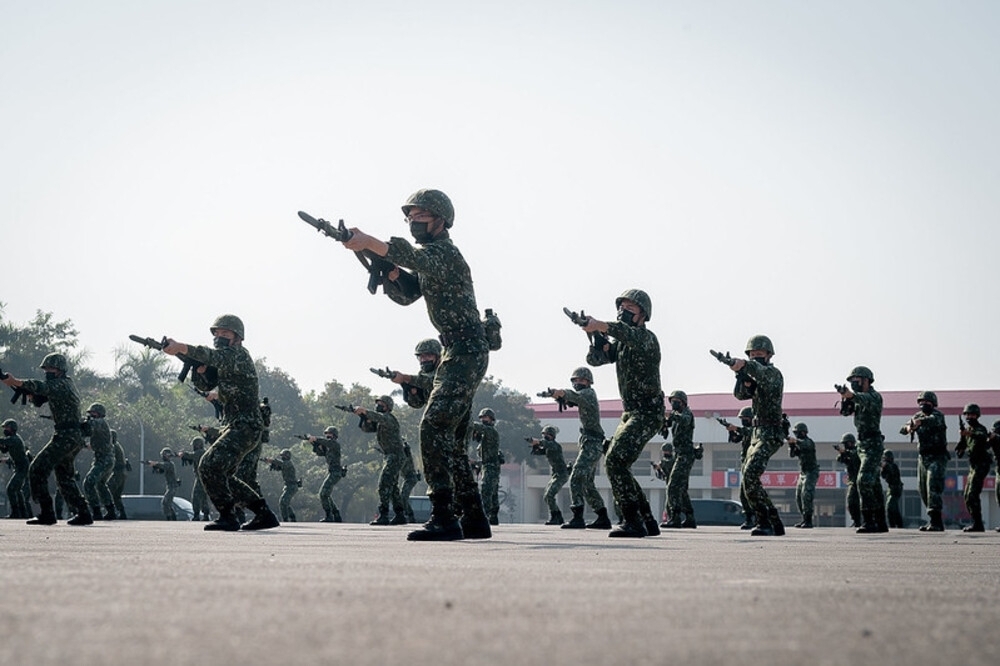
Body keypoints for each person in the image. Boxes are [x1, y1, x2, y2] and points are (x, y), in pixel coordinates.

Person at [341, 189, 491, 541]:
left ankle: (443, 516)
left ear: (441, 220)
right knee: (452, 440)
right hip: (458, 351)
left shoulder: (444, 254)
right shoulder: (430, 260)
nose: (414, 221)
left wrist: (369, 242)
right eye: (410, 216)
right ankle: (473, 518)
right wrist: (389, 271)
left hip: (467, 349)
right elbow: (409, 294)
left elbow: (411, 256)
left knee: (433, 427)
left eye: (422, 215)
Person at [162, 314, 279, 531]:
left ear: (237, 338)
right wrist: (200, 369)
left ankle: (228, 516)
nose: (219, 337)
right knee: (221, 473)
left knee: (207, 465)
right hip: (236, 425)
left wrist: (181, 347)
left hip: (246, 425)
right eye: (216, 333)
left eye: (225, 333)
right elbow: (207, 385)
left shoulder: (238, 355)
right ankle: (264, 514)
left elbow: (213, 356)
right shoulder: (224, 360)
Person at [580, 289, 663, 538]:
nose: (623, 312)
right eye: (621, 308)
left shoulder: (646, 339)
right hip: (631, 413)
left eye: (629, 309)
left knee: (615, 461)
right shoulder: (623, 344)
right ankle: (647, 520)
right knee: (619, 463)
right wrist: (595, 337)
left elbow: (624, 333)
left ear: (642, 316)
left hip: (647, 412)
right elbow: (597, 360)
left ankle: (632, 521)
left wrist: (602, 325)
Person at [1, 353, 93, 525]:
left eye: (51, 368)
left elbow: (41, 387)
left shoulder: (62, 384)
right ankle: (83, 512)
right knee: (64, 476)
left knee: (36, 469)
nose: (47, 371)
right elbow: (39, 397)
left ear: (60, 370)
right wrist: (24, 391)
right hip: (72, 436)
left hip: (66, 436)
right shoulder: (63, 384)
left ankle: (46, 513)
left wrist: (16, 382)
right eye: (46, 369)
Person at [717, 335, 785, 536]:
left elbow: (760, 372)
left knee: (750, 475)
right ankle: (773, 521)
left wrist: (744, 365)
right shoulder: (755, 375)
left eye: (759, 354)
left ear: (769, 355)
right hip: (756, 433)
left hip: (770, 431)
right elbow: (740, 396)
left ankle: (765, 521)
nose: (756, 357)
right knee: (748, 478)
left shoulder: (773, 374)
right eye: (752, 355)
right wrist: (740, 376)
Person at [542, 367, 611, 530]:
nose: (577, 383)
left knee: (576, 478)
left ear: (588, 382)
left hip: (592, 443)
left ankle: (577, 516)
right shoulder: (585, 396)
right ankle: (602, 516)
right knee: (587, 482)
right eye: (575, 380)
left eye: (581, 380)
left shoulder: (588, 393)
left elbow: (574, 396)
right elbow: (573, 400)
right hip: (590, 442)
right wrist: (560, 397)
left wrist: (562, 393)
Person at [836, 366, 886, 533]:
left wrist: (850, 395)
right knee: (874, 484)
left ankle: (869, 521)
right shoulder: (858, 398)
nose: (854, 383)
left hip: (873, 443)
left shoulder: (874, 396)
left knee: (863, 480)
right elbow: (845, 412)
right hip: (861, 444)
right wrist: (846, 399)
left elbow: (860, 398)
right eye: (852, 381)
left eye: (857, 380)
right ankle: (880, 522)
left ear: (866, 380)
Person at [354, 396, 407, 526]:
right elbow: (367, 429)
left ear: (387, 406)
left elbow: (379, 418)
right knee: (393, 486)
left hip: (395, 455)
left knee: (384, 483)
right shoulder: (381, 421)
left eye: (381, 404)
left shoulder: (389, 418)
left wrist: (365, 411)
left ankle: (383, 515)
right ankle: (400, 514)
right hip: (390, 455)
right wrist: (363, 418)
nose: (378, 406)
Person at [900, 390, 948, 532]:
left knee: (933, 486)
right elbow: (903, 429)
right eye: (921, 402)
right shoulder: (917, 416)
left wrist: (919, 422)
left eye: (927, 402)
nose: (923, 404)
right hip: (923, 458)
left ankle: (936, 522)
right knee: (922, 488)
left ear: (933, 403)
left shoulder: (938, 416)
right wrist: (909, 427)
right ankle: (931, 520)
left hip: (937, 457)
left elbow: (933, 420)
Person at [661, 390, 697, 529]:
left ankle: (674, 517)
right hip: (679, 454)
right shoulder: (676, 415)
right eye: (672, 401)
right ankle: (690, 517)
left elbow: (684, 420)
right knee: (681, 489)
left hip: (685, 454)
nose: (674, 403)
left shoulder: (687, 413)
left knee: (673, 486)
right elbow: (668, 423)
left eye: (677, 401)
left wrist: (672, 415)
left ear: (683, 402)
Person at [956, 403, 990, 532]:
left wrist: (968, 434)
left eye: (972, 414)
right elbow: (963, 445)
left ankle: (978, 524)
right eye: (967, 414)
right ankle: (976, 522)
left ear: (977, 415)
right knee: (967, 495)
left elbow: (982, 436)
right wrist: (960, 447)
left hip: (981, 465)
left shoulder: (980, 429)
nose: (969, 417)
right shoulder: (968, 431)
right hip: (973, 465)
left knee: (972, 494)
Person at [719, 407, 755, 529]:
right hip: (745, 463)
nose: (743, 421)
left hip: (753, 463)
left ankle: (757, 518)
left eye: (745, 419)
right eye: (742, 419)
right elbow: (735, 439)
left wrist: (736, 428)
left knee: (751, 492)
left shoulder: (755, 430)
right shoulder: (744, 431)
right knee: (743, 493)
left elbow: (748, 432)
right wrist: (730, 430)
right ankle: (749, 518)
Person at [528, 425, 569, 525]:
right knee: (547, 496)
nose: (545, 437)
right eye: (544, 435)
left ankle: (555, 517)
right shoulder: (548, 447)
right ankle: (557, 516)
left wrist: (537, 441)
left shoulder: (555, 446)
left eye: (546, 435)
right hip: (556, 474)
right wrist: (535, 445)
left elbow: (546, 444)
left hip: (562, 474)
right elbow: (536, 453)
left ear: (552, 436)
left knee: (549, 495)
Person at [82, 402, 116, 520]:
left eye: (93, 413)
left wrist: (72, 421)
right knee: (101, 485)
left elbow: (87, 425)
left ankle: (96, 511)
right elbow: (93, 444)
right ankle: (111, 511)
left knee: (88, 482)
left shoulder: (100, 422)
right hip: (105, 460)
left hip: (104, 461)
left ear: (100, 414)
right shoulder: (98, 426)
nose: (91, 415)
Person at [469, 408, 503, 526]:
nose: (483, 419)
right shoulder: (484, 438)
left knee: (486, 490)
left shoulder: (491, 431)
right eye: (481, 418)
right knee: (492, 491)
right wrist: (475, 463)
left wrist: (466, 420)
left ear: (491, 419)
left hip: (491, 466)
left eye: (485, 417)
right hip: (487, 465)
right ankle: (492, 517)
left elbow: (479, 427)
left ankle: (486, 515)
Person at [787, 421, 819, 529]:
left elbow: (804, 444)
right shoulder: (798, 443)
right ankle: (804, 518)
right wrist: (791, 445)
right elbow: (792, 455)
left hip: (811, 472)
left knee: (807, 494)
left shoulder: (809, 442)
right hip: (803, 473)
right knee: (798, 496)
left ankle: (808, 520)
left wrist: (795, 441)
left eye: (798, 433)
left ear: (804, 432)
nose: (796, 435)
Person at [309, 426, 344, 522]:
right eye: (326, 434)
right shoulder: (328, 447)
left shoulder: (335, 444)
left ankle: (329, 515)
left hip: (336, 472)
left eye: (329, 434)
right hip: (332, 472)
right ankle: (336, 514)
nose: (327, 435)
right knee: (326, 494)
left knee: (323, 493)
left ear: (334, 435)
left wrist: (316, 439)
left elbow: (327, 442)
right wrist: (314, 444)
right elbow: (320, 453)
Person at [1, 418, 30, 518]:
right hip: (19, 467)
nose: (5, 430)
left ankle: (16, 512)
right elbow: (4, 450)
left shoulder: (15, 439)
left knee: (10, 489)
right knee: (17, 490)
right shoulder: (12, 439)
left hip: (22, 467)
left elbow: (4, 441)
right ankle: (23, 512)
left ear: (13, 428)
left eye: (7, 428)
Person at [177, 436, 211, 520]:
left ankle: (196, 515)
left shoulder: (200, 452)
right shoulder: (205, 452)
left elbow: (192, 456)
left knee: (196, 496)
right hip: (205, 477)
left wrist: (183, 454)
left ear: (197, 445)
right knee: (203, 496)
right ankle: (206, 515)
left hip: (201, 478)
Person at [264, 449, 299, 522]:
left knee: (283, 502)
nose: (282, 457)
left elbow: (281, 464)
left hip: (292, 486)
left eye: (283, 456)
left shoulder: (288, 463)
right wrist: (271, 464)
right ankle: (292, 518)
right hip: (288, 486)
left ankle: (286, 519)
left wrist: (272, 460)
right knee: (285, 503)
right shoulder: (285, 464)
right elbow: (279, 467)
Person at [835, 433, 862, 527]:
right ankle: (856, 520)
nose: (845, 445)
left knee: (858, 501)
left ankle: (861, 520)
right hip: (852, 480)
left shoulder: (857, 451)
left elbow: (854, 455)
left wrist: (844, 452)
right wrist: (842, 453)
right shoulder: (847, 452)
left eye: (846, 443)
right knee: (851, 501)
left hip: (859, 479)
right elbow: (839, 459)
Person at [144, 448, 179, 520]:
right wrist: (154, 466)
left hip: (172, 486)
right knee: (167, 503)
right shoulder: (168, 464)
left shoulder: (170, 464)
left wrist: (153, 463)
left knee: (165, 502)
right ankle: (172, 518)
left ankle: (170, 518)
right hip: (170, 486)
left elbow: (162, 465)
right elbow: (160, 471)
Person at [398, 442, 422, 523]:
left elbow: (407, 450)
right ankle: (408, 514)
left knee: (404, 496)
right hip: (408, 478)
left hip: (411, 478)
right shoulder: (403, 458)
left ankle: (409, 514)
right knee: (403, 497)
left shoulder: (407, 457)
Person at [653, 442, 675, 525]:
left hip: (674, 485)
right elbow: (662, 476)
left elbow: (667, 464)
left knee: (671, 502)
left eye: (666, 451)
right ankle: (670, 519)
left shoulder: (671, 461)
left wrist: (660, 466)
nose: (664, 453)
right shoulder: (666, 461)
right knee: (669, 502)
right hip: (669, 483)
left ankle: (672, 519)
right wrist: (658, 469)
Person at [880, 450, 904, 529]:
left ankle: (892, 525)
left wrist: (884, 465)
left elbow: (891, 470)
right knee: (895, 508)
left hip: (896, 489)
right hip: (891, 488)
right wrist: (882, 467)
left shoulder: (893, 466)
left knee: (889, 506)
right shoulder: (887, 466)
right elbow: (883, 476)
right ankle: (899, 525)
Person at [109, 430, 129, 520]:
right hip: (122, 473)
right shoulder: (118, 445)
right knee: (116, 495)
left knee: (108, 489)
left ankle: (110, 511)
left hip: (118, 473)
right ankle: (122, 513)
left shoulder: (113, 446)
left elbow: (111, 460)